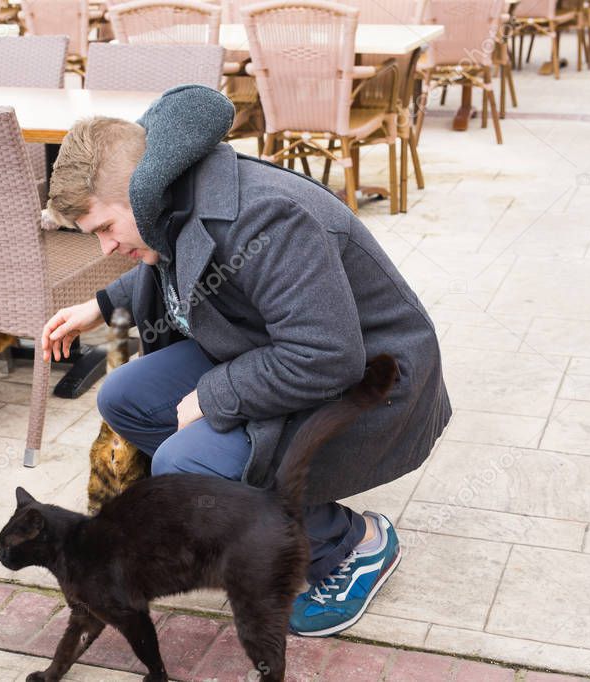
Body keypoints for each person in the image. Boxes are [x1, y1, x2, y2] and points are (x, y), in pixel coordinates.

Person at [40, 85, 452, 637]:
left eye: (105, 229)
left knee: (185, 465)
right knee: (124, 399)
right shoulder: (172, 198)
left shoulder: (267, 219)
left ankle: (352, 545)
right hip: (272, 349)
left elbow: (327, 355)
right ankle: (249, 501)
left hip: (372, 381)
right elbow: (175, 259)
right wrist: (103, 303)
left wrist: (214, 398)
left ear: (141, 197)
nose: (104, 248)